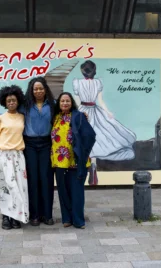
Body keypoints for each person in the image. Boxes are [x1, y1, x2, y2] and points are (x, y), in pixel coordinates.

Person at [0, 77, 56, 226]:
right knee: (32, 180)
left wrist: (82, 115)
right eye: (35, 89)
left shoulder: (53, 105)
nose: (38, 91)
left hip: (47, 144)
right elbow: (10, 113)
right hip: (30, 145)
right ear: (31, 90)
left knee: (46, 179)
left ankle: (47, 215)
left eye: (41, 88)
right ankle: (34, 215)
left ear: (45, 89)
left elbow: (69, 110)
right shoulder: (25, 106)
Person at [72, 60, 137, 185]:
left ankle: (86, 164)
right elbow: (100, 101)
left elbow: (77, 102)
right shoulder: (98, 82)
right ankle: (93, 165)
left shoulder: (77, 83)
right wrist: (108, 112)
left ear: (82, 72)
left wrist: (75, 114)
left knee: (82, 137)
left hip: (82, 111)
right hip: (95, 111)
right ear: (94, 71)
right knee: (97, 137)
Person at [51, 92, 96, 229]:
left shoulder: (79, 116)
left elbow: (90, 135)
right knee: (63, 191)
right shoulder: (55, 118)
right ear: (58, 103)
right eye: (62, 101)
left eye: (68, 101)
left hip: (75, 160)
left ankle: (78, 220)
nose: (65, 103)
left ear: (72, 103)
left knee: (77, 191)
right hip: (59, 161)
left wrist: (82, 152)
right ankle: (66, 218)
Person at [0, 85, 29, 230]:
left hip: (18, 156)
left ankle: (16, 216)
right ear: (4, 103)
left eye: (13, 100)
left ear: (18, 101)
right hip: (3, 156)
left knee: (18, 186)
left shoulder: (23, 117)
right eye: (8, 101)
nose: (11, 103)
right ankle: (5, 217)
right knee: (4, 187)